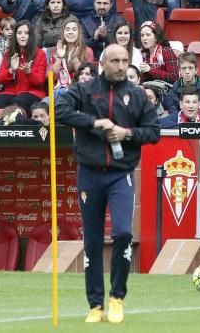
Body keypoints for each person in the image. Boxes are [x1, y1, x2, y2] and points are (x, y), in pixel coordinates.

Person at [54, 44, 160, 324]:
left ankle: (117, 297)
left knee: (124, 232)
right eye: (115, 60)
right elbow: (59, 109)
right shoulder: (86, 89)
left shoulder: (136, 95)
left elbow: (154, 132)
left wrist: (127, 133)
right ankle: (95, 305)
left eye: (125, 60)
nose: (121, 65)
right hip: (89, 173)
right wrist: (93, 123)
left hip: (120, 173)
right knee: (92, 240)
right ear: (103, 63)